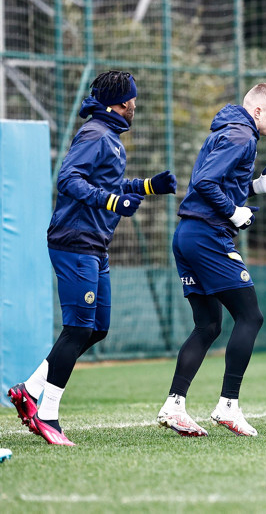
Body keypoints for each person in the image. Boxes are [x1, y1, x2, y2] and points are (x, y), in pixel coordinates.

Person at [7, 71, 177, 445]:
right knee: (79, 328)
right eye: (133, 99)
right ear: (121, 102)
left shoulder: (110, 137)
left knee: (97, 328)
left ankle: (28, 390)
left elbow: (109, 186)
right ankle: (47, 415)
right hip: (74, 242)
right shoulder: (95, 134)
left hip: (94, 244)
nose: (136, 105)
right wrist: (114, 201)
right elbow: (68, 179)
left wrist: (149, 187)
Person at [156, 83, 266, 437]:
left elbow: (220, 181)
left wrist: (258, 187)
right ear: (257, 111)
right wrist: (234, 213)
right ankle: (228, 406)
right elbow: (204, 182)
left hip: (188, 235)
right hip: (207, 236)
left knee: (208, 325)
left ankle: (174, 405)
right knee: (250, 316)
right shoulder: (242, 136)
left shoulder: (231, 129)